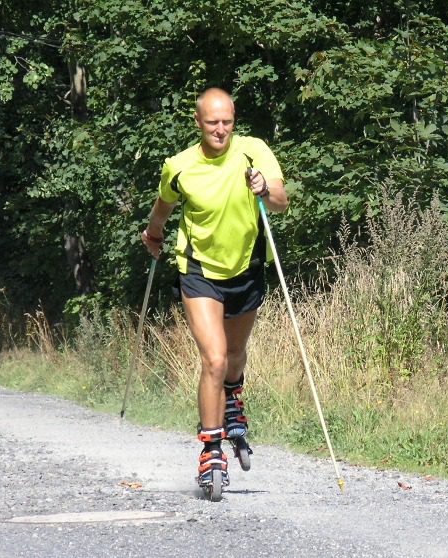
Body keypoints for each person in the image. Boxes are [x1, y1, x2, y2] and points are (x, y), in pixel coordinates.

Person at [141, 87, 288, 490]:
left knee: (236, 355)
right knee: (215, 359)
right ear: (198, 122)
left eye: (227, 122)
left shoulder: (254, 151)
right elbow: (163, 205)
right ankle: (210, 452)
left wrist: (263, 188)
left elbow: (280, 201)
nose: (220, 130)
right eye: (212, 122)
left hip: (245, 267)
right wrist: (153, 233)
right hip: (199, 270)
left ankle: (233, 404)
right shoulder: (180, 165)